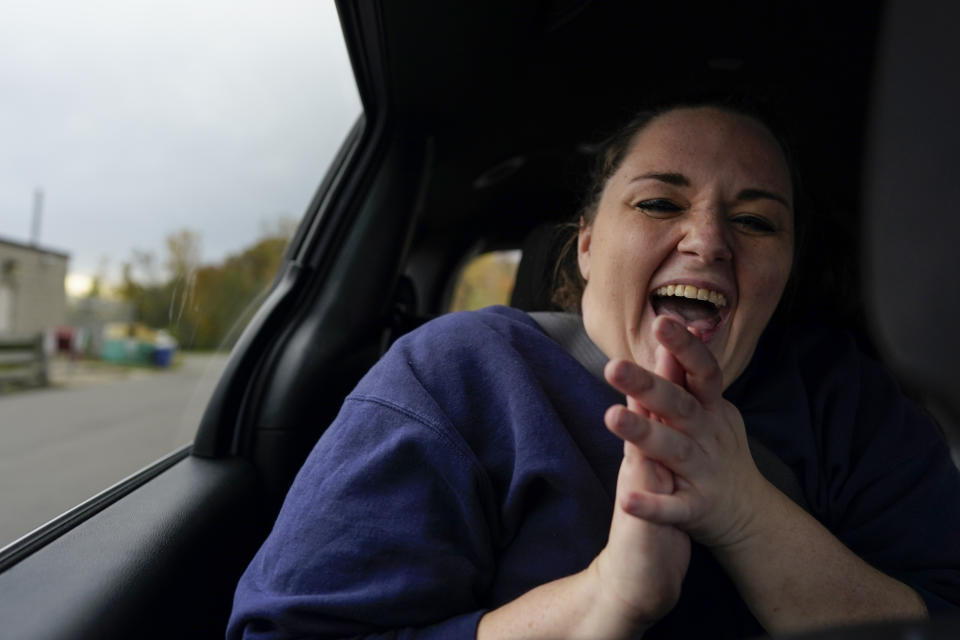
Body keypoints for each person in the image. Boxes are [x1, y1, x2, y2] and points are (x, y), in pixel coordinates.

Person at [227, 103, 960, 639]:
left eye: (757, 221)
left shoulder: (850, 399)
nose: (706, 239)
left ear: (786, 266)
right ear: (585, 246)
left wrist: (745, 512)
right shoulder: (454, 376)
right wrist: (604, 597)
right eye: (658, 203)